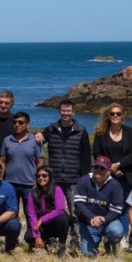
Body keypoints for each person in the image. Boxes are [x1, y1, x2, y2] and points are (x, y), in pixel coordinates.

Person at [39, 99, 92, 250]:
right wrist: (37, 134)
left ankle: (75, 238)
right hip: (54, 178)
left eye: (69, 111)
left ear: (73, 112)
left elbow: (86, 156)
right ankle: (53, 237)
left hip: (73, 178)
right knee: (52, 209)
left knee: (75, 211)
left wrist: (85, 176)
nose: (66, 113)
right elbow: (41, 139)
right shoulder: (51, 129)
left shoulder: (81, 130)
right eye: (63, 110)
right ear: (59, 112)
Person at [92, 102, 132, 245]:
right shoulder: (101, 133)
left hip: (125, 176)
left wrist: (119, 166)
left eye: (118, 113)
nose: (115, 116)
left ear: (122, 116)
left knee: (124, 207)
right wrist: (109, 168)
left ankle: (123, 238)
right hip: (106, 177)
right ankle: (109, 236)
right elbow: (97, 154)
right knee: (107, 206)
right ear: (108, 115)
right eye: (112, 114)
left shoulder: (129, 131)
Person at [75, 156, 123, 257]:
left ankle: (110, 244)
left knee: (116, 231)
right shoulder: (84, 181)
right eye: (96, 167)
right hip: (88, 223)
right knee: (89, 254)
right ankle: (93, 245)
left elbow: (116, 210)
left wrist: (104, 219)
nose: (98, 170)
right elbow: (79, 203)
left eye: (102, 168)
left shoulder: (115, 185)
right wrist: (92, 217)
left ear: (109, 171)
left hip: (108, 222)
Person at [0, 111, 44, 215]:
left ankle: (31, 231)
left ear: (27, 124)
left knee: (30, 213)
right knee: (11, 212)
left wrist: (37, 181)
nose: (17, 125)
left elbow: (40, 162)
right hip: (10, 183)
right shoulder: (7, 140)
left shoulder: (35, 141)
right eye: (15, 122)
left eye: (20, 122)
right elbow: (2, 161)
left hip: (29, 184)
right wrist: (1, 179)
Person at [24, 166, 69, 258]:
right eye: (38, 176)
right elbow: (31, 215)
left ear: (50, 177)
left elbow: (60, 209)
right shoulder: (32, 193)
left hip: (54, 223)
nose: (41, 178)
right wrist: (37, 236)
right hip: (42, 227)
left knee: (63, 219)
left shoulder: (57, 189)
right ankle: (44, 242)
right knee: (28, 237)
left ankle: (61, 246)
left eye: (44, 175)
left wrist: (42, 219)